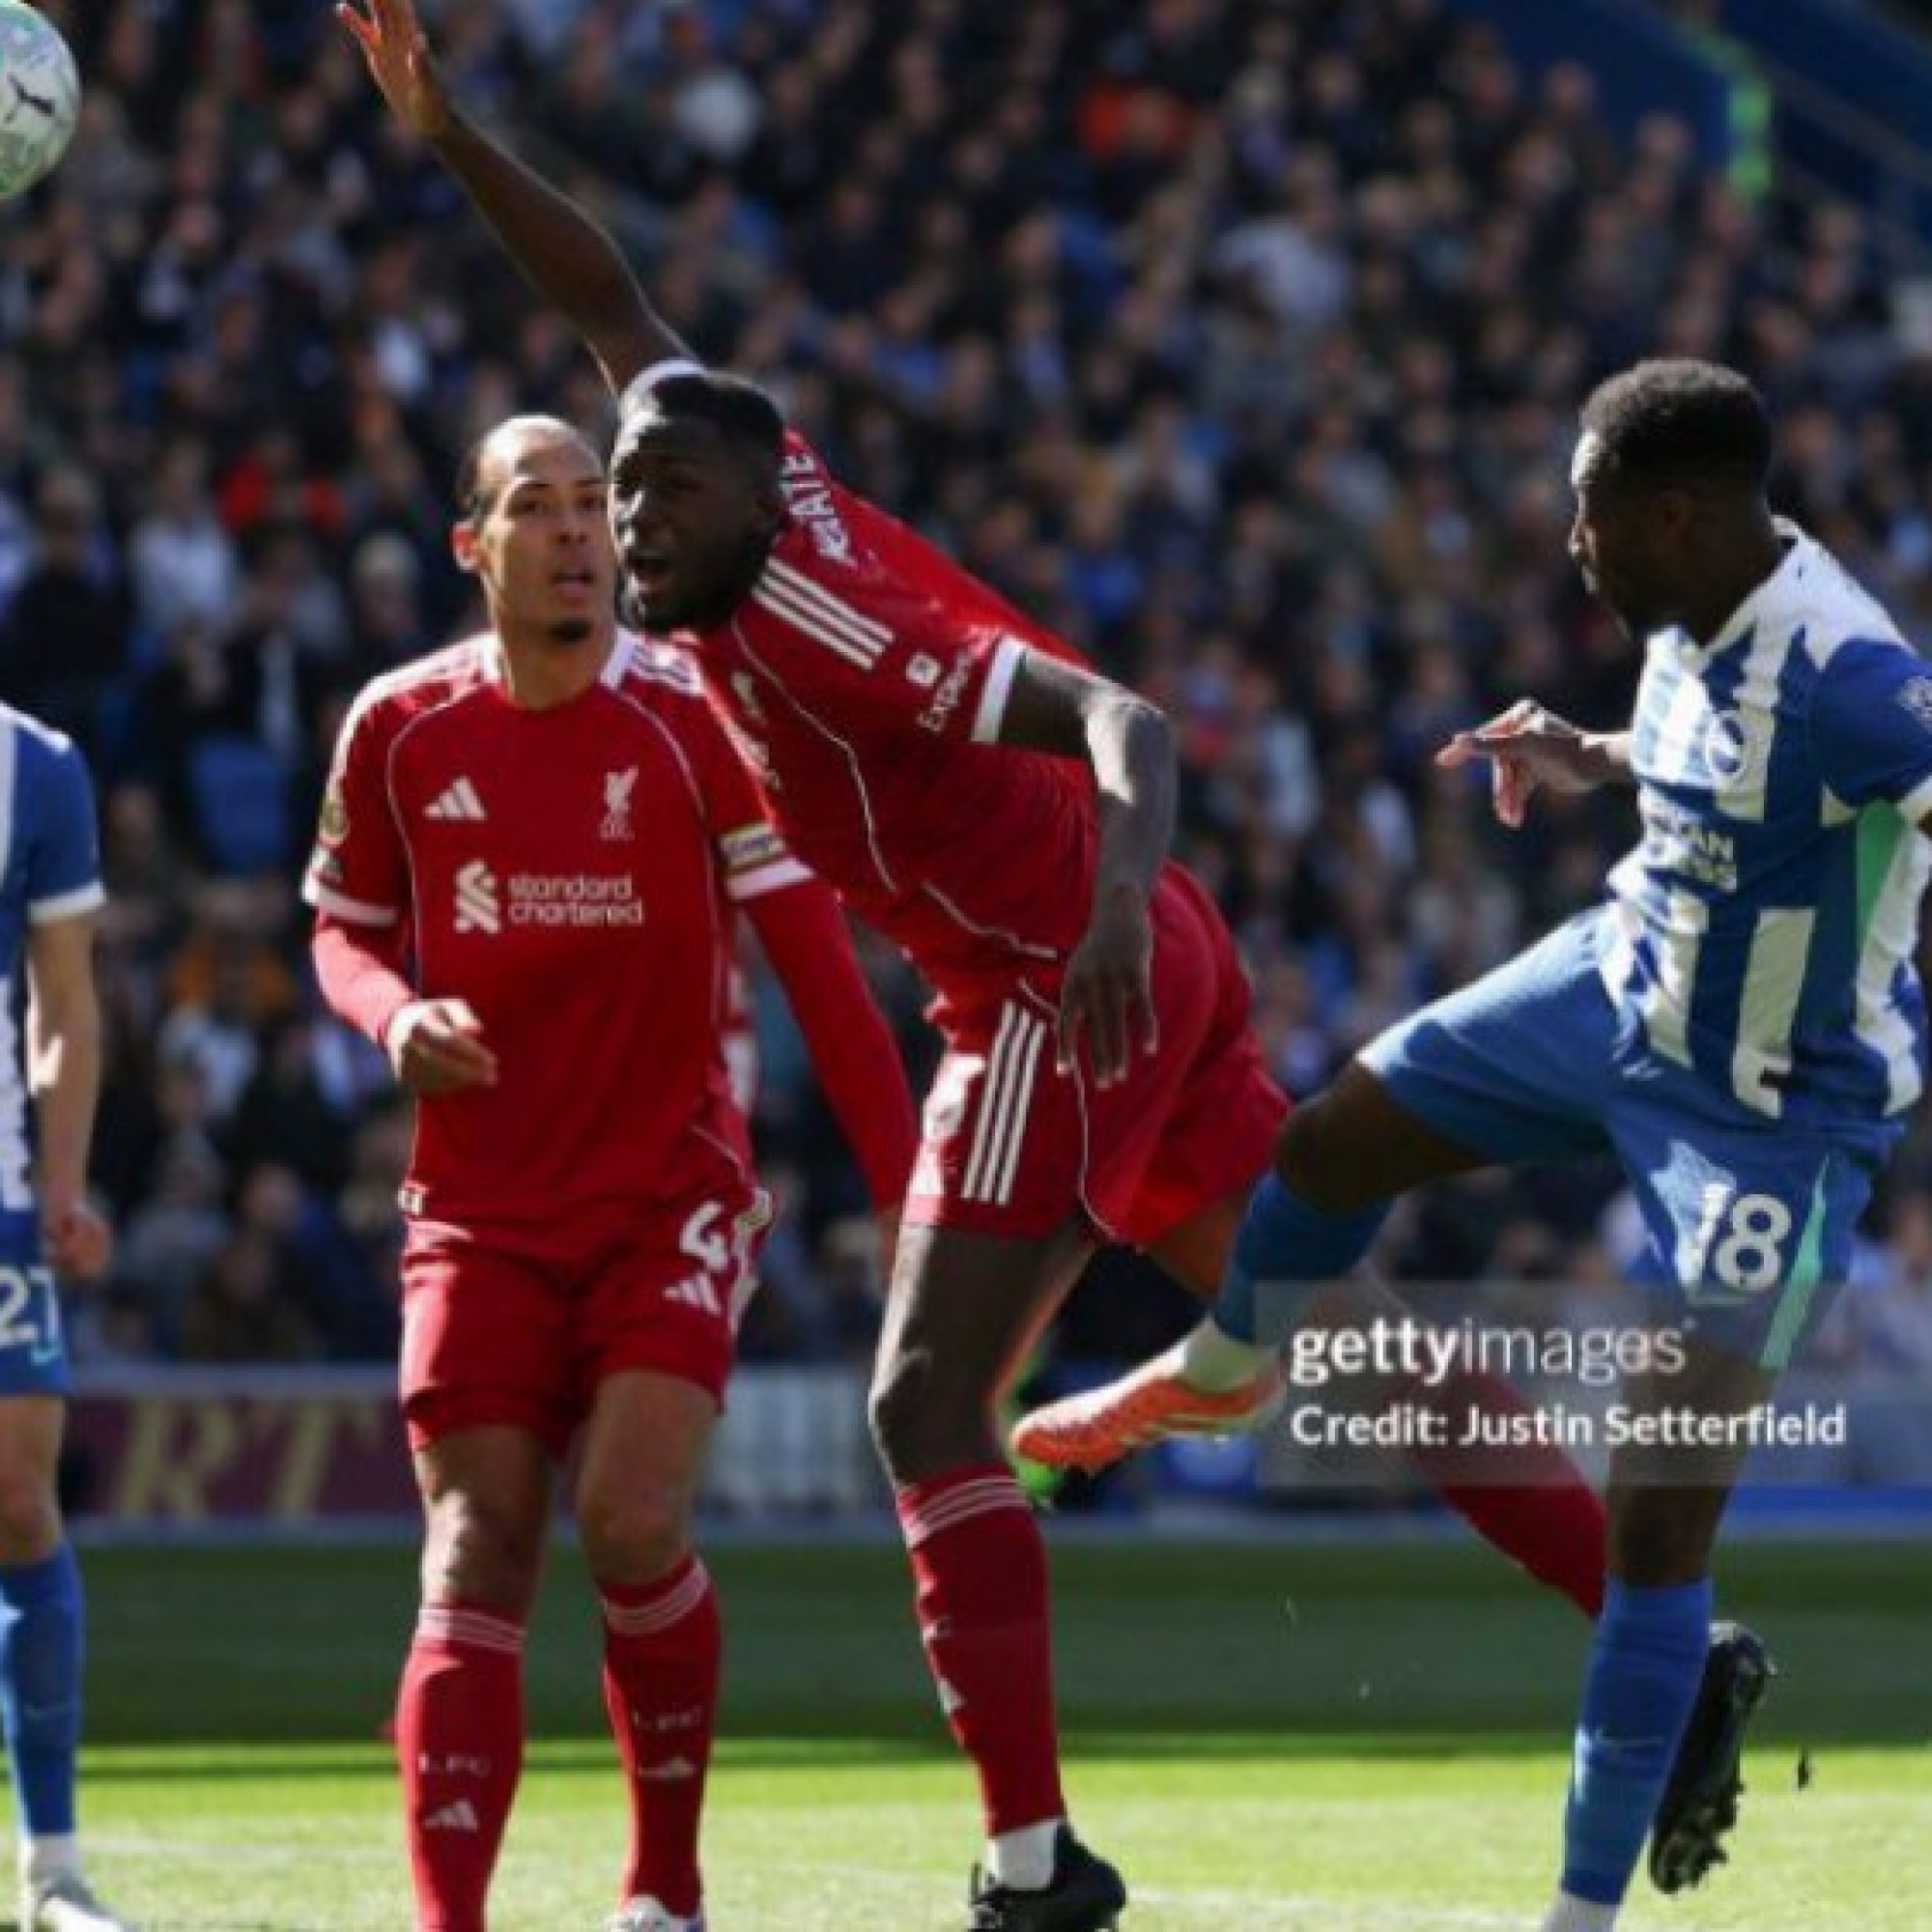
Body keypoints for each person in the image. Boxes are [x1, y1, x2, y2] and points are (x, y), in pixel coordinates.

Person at [334, 11, 1748, 1926]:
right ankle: (1669, 1643)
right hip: (1122, 962)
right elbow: (607, 287)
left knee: (924, 1408)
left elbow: (1126, 722)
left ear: (748, 502)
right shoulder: (723, 471)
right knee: (1341, 1342)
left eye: (651, 503)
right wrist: (444, 132)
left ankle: (1028, 1865)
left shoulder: (835, 622)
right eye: (611, 494)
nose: (626, 528)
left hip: (1057, 975)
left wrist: (1093, 930)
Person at [1018, 359, 1932, 1927]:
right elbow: (1723, 756)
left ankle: (1577, 1915)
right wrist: (1591, 752)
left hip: (1774, 1108)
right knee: (1324, 1145)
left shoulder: (1853, 677)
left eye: (1589, 513)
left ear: (1680, 513)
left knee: (1656, 1512)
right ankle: (1227, 1375)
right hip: (1620, 981)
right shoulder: (1682, 608)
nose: (1566, 538)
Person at [303, 412, 918, 1932]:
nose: (580, 531)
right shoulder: (399, 726)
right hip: (477, 1212)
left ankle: (666, 1889)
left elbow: (818, 967)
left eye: (595, 502)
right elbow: (341, 931)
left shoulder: (694, 718)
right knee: (477, 1543)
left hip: (666, 1198)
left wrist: (914, 1188)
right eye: (540, 506)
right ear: (476, 549)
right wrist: (395, 1018)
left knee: (633, 1523)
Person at [0, 702, 130, 1932]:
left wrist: (63, 1182)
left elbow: (63, 1002)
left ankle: (53, 1869)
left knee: (19, 1493)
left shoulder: (33, 766)